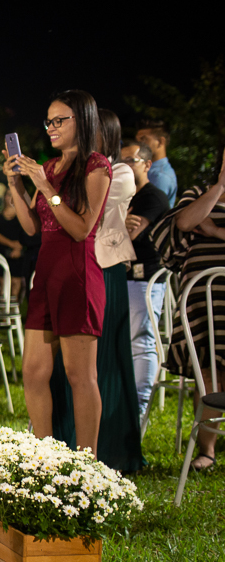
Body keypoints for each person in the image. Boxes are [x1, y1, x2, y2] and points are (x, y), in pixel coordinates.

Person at [4, 90, 112, 455]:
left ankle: (87, 461)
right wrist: (17, 183)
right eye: (48, 121)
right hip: (45, 274)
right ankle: (45, 458)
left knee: (79, 375)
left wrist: (45, 186)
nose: (50, 128)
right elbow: (33, 228)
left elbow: (81, 228)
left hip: (77, 274)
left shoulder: (96, 165)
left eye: (58, 120)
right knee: (33, 372)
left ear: (81, 121)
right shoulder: (48, 167)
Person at [49, 109, 143, 472]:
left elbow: (89, 219)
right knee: (70, 367)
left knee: (106, 364)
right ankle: (66, 439)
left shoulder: (116, 171)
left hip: (104, 269)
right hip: (73, 268)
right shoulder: (70, 170)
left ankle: (111, 451)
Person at [161, 148, 225, 471]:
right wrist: (220, 186)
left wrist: (214, 232)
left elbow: (202, 226)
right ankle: (208, 450)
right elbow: (186, 221)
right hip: (204, 304)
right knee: (210, 370)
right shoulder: (200, 192)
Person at [121, 138, 172, 413]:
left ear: (147, 165)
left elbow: (126, 236)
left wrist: (115, 226)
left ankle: (139, 409)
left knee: (141, 342)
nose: (125, 166)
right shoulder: (124, 197)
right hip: (125, 278)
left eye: (131, 160)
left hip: (144, 279)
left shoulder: (151, 196)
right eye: (121, 161)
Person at [136, 120, 178, 208]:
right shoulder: (150, 170)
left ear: (161, 141)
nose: (138, 144)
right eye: (137, 140)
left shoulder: (160, 176)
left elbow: (147, 209)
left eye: (144, 139)